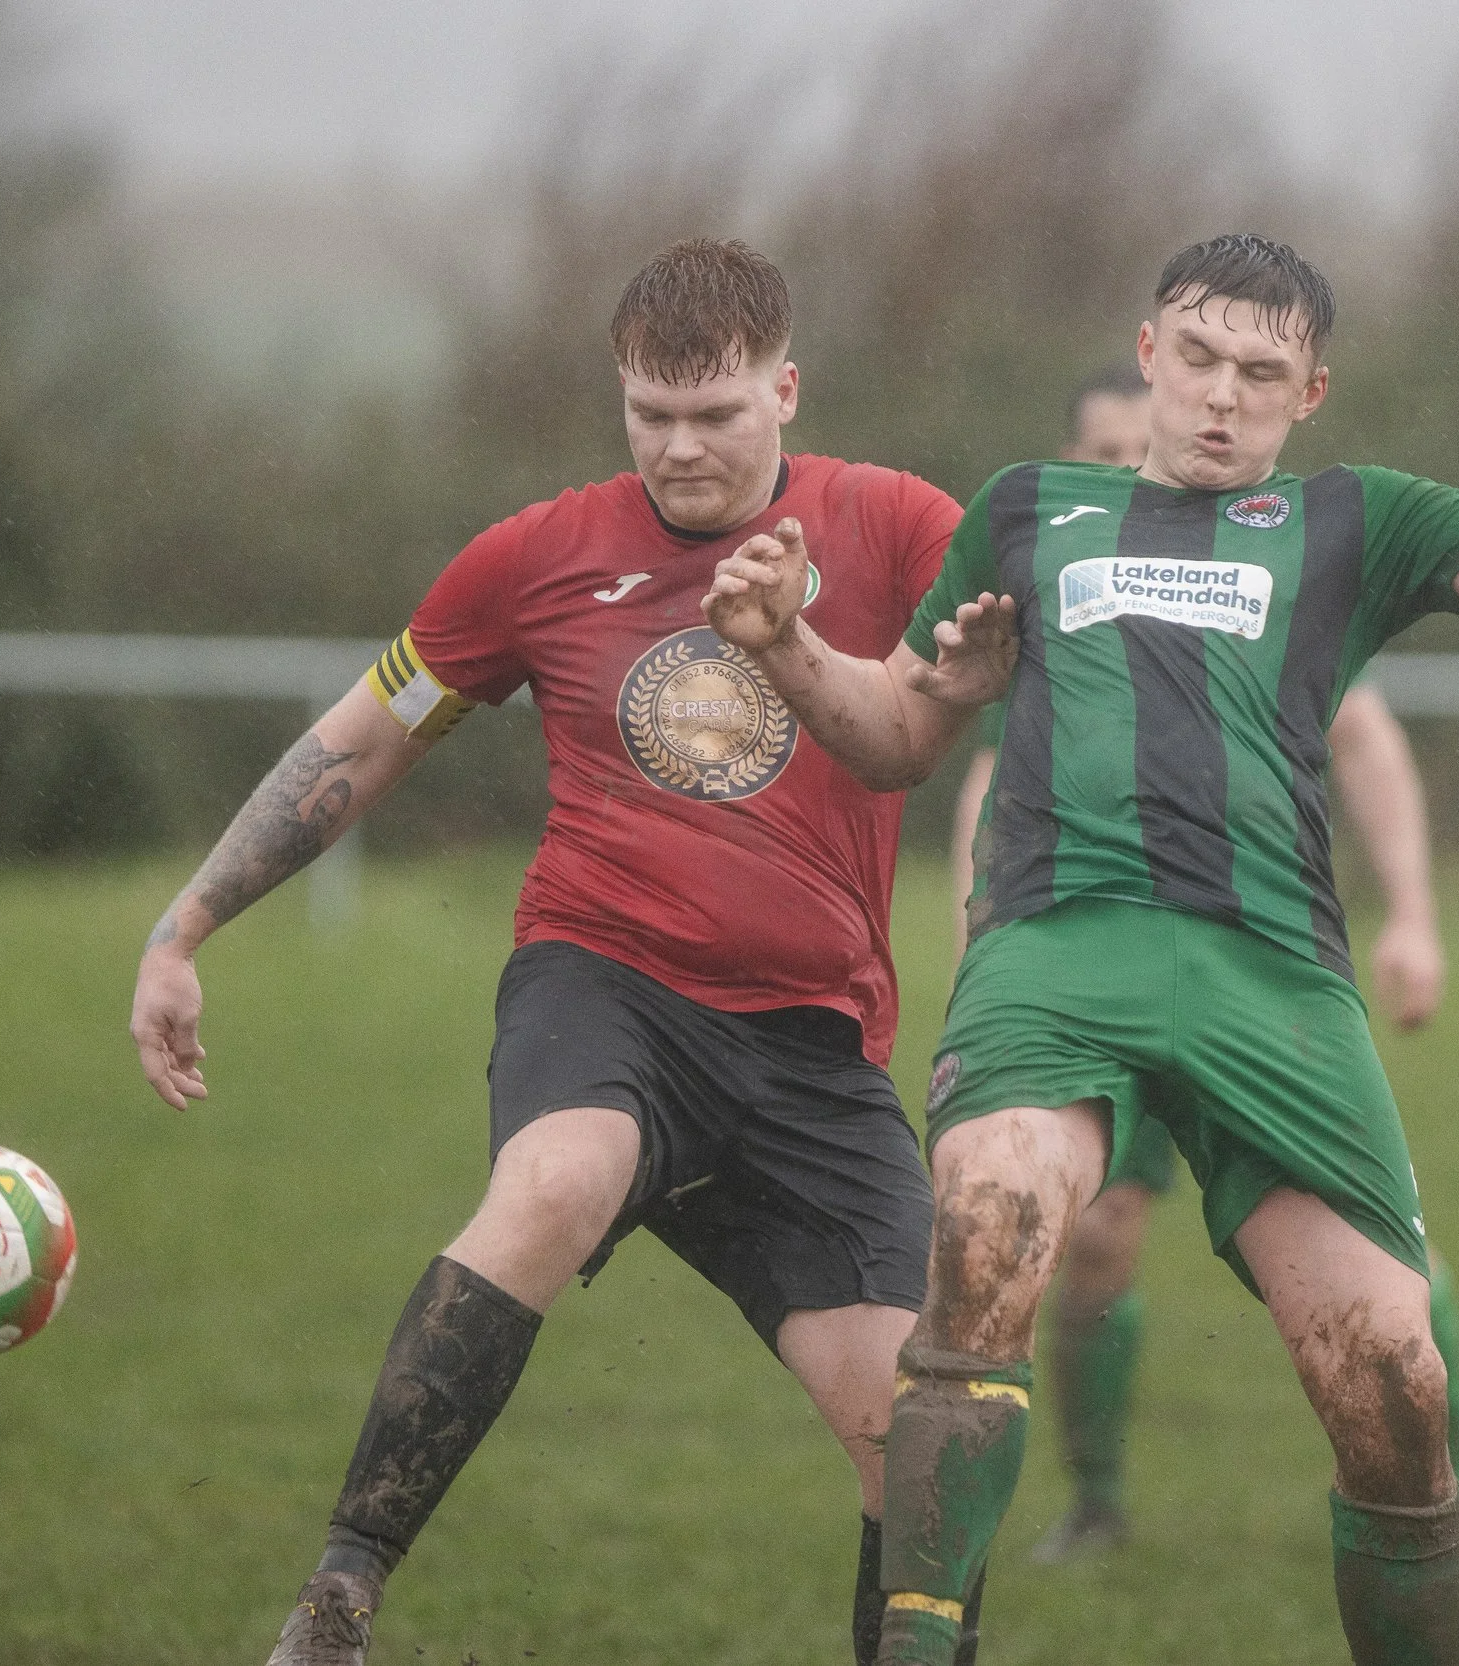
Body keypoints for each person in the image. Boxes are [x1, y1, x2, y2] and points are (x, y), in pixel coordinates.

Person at [705, 223, 1459, 1665]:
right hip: (1057, 951)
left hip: (1272, 983)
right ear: (1152, 356)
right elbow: (901, 730)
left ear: (1312, 396)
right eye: (1202, 358)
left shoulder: (1357, 521)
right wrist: (788, 648)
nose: (1224, 394)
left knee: (1394, 1386)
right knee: (983, 1241)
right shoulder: (1031, 510)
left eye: (1262, 373)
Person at [128, 240, 987, 1666]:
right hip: (607, 986)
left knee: (916, 1437)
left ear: (786, 389)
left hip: (811, 1049)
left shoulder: (894, 523)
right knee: (553, 1181)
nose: (680, 444)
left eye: (714, 412)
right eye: (650, 412)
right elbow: (360, 738)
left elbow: (992, 674)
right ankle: (336, 1603)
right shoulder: (535, 557)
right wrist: (185, 925)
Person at [947, 373, 1459, 1571]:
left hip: (1249, 968)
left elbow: (1363, 736)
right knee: (1086, 1240)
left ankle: (1457, 1481)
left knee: (1378, 1276)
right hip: (1075, 960)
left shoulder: (1269, 575)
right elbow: (974, 778)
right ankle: (1095, 1502)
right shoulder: (1040, 562)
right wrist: (982, 955)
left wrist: (1412, 913)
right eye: (1102, 448)